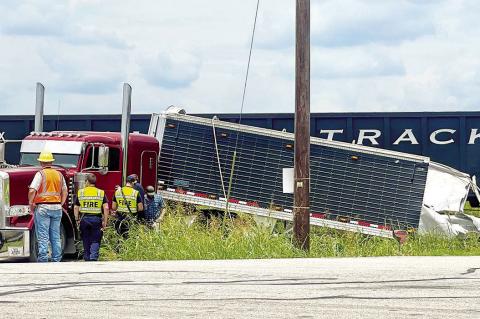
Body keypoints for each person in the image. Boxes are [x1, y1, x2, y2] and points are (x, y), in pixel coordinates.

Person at [28, 151, 67, 262]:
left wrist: (31, 203)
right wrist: (61, 203)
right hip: (57, 208)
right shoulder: (59, 174)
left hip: (43, 208)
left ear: (41, 162)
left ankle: (43, 259)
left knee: (43, 236)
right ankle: (56, 259)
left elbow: (32, 190)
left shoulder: (40, 174)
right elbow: (65, 191)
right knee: (55, 235)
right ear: (51, 162)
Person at [73, 174, 109, 261]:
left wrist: (77, 219)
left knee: (85, 238)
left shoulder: (81, 192)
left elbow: (75, 207)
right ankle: (93, 257)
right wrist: (105, 221)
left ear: (87, 182)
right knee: (96, 239)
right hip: (96, 219)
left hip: (84, 219)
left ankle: (87, 257)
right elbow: (106, 208)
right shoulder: (101, 192)